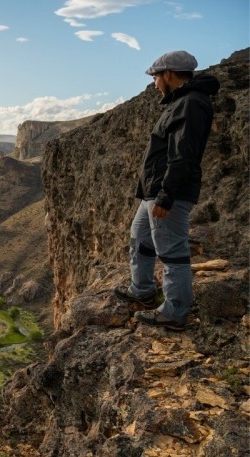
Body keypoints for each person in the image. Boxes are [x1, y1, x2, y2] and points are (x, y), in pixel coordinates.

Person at [113, 50, 220, 331]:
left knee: (172, 252)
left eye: (156, 77)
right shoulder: (180, 102)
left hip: (166, 192)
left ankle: (174, 311)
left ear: (169, 74)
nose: (155, 83)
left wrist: (166, 195)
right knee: (140, 237)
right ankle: (144, 289)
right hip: (154, 191)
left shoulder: (191, 104)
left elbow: (183, 155)